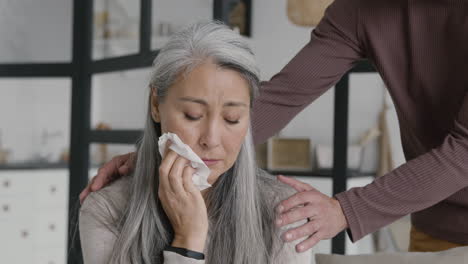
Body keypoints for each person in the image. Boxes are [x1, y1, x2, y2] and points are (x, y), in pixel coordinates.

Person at [81, 0, 468, 254]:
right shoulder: (359, 10)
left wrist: (347, 210)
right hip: (437, 226)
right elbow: (284, 94)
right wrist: (166, 150)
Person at [79, 21, 312, 263]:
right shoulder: (107, 210)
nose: (211, 140)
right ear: (156, 105)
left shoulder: (284, 211)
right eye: (193, 115)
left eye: (232, 119)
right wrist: (187, 243)